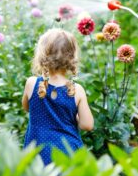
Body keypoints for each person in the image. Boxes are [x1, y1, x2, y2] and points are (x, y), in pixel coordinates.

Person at [22, 28, 94, 165]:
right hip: (67, 153)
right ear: (72, 58)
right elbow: (87, 125)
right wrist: (72, 114)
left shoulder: (32, 84)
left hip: (38, 152)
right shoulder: (77, 90)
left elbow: (27, 108)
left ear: (42, 55)